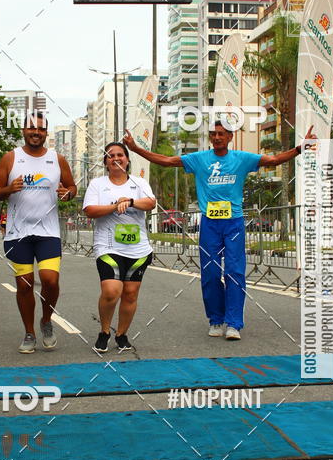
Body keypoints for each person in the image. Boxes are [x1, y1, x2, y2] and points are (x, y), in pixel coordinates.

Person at [123, 121, 316, 340]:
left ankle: (234, 323)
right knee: (211, 273)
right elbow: (167, 161)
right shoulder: (199, 159)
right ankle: (216, 320)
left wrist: (299, 149)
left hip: (233, 223)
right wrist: (136, 149)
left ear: (230, 137)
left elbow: (273, 159)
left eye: (221, 134)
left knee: (234, 273)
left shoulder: (242, 159)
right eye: (213, 134)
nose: (216, 137)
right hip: (209, 224)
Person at [0, 110, 77, 353]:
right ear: (24, 131)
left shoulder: (57, 159)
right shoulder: (11, 158)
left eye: (40, 129)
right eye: (32, 128)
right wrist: (9, 188)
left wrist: (68, 193)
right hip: (18, 233)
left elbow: (72, 187)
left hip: (48, 231)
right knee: (25, 284)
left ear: (46, 133)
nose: (36, 133)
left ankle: (46, 321)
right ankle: (29, 333)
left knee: (50, 280)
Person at [83, 141, 156, 353]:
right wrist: (116, 205)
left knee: (131, 294)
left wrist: (131, 201)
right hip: (108, 247)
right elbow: (89, 210)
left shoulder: (139, 182)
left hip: (138, 249)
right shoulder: (97, 184)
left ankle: (122, 334)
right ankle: (104, 332)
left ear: (127, 159)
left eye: (120, 154)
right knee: (111, 290)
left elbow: (151, 203)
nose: (116, 158)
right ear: (106, 162)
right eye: (110, 155)